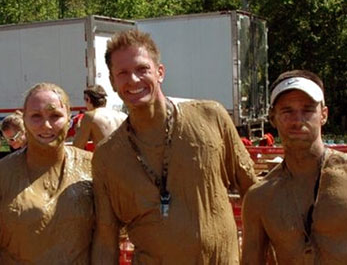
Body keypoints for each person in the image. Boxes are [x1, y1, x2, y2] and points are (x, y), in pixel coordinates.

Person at [91, 29, 257, 263]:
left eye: (142, 69)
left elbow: (253, 193)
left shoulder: (211, 117)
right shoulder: (107, 156)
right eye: (123, 73)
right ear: (112, 82)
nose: (134, 80)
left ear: (160, 72)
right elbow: (106, 238)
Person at [0, 82, 94, 264]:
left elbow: (107, 238)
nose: (46, 125)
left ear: (69, 118)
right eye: (36, 116)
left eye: (55, 116)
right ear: (24, 120)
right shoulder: (0, 174)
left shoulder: (92, 168)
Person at [242, 70, 347, 264]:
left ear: (323, 115)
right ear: (273, 118)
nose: (298, 120)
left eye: (307, 110)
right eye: (287, 111)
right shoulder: (260, 197)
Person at [73, 84, 127, 150]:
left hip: (108, 158)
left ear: (88, 99)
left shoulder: (90, 116)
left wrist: (78, 130)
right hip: (128, 158)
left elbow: (77, 147)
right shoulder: (123, 115)